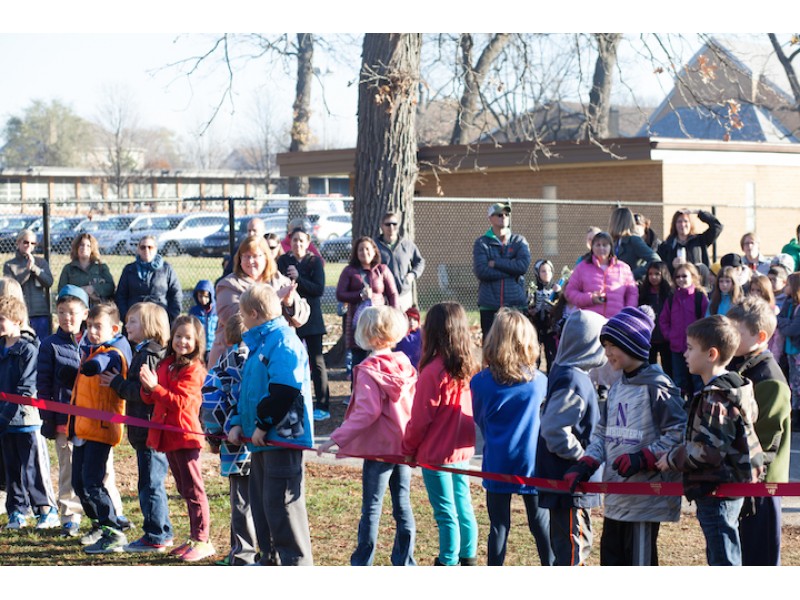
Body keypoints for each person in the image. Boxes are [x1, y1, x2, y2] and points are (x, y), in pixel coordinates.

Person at [564, 306, 686, 566]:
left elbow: (678, 432)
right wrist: (587, 462)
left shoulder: (659, 388)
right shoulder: (618, 387)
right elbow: (603, 433)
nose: (606, 353)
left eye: (612, 345)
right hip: (617, 497)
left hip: (643, 501)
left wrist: (644, 457)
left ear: (632, 345)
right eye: (604, 345)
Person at [657, 315, 764, 566]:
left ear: (711, 354)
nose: (685, 354)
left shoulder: (716, 398)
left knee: (723, 560)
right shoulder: (733, 387)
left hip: (717, 490)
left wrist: (672, 458)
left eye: (691, 348)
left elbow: (709, 451)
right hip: (723, 488)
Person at [318, 306, 416, 566]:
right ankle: (405, 562)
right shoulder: (404, 364)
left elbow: (366, 412)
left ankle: (362, 562)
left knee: (372, 507)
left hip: (379, 449)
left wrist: (336, 437)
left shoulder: (368, 370)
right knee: (402, 505)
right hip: (403, 447)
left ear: (367, 334)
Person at [230, 283, 315, 566]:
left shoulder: (283, 341)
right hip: (260, 442)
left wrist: (263, 425)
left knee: (283, 509)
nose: (240, 319)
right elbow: (250, 391)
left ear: (253, 313)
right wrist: (238, 424)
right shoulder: (261, 343)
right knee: (264, 508)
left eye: (242, 313)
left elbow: (284, 389)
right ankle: (270, 561)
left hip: (280, 438)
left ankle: (295, 566)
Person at [471, 308, 554, 566]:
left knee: (498, 526)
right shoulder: (539, 381)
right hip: (532, 462)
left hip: (497, 459)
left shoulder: (480, 382)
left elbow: (479, 418)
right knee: (540, 522)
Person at [402, 302, 478, 566]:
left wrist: (408, 449)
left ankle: (447, 561)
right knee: (463, 506)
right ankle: (468, 557)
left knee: (446, 512)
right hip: (460, 452)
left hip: (436, 454)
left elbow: (420, 420)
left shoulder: (432, 372)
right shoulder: (468, 367)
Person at [140, 315, 214, 562]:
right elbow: (152, 398)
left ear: (197, 341)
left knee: (194, 489)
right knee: (183, 488)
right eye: (179, 336)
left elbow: (182, 403)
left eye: (188, 337)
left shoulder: (195, 370)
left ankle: (202, 540)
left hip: (185, 435)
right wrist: (147, 386)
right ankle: (193, 538)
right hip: (167, 434)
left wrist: (156, 389)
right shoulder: (167, 364)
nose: (182, 341)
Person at [535, 309, 607, 566]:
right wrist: (583, 458)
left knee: (576, 547)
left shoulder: (572, 373)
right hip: (569, 484)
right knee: (572, 553)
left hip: (574, 484)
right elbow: (554, 431)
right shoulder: (572, 380)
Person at [101, 301, 174, 553]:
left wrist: (117, 384)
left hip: (149, 431)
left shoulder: (148, 355)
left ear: (149, 326)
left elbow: (145, 392)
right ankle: (160, 530)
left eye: (132, 321)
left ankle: (156, 534)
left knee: (150, 485)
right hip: (145, 431)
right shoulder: (145, 351)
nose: (126, 325)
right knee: (149, 482)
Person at [727, 298, 791, 566]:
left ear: (760, 336)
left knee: (758, 563)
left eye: (736, 332)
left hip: (760, 490)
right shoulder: (739, 367)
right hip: (740, 483)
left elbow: (762, 447)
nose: (728, 337)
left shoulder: (769, 380)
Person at [67, 301, 133, 554]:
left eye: (98, 327)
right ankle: (99, 525)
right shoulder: (91, 351)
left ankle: (113, 530)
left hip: (102, 429)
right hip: (84, 429)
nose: (92, 331)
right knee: (80, 482)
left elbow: (105, 362)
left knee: (93, 482)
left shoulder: (112, 352)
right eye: (89, 326)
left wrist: (92, 367)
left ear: (114, 328)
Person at [201, 314, 256, 566]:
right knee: (262, 499)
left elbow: (212, 404)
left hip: (233, 446)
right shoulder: (259, 358)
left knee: (241, 501)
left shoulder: (224, 363)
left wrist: (213, 437)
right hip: (261, 443)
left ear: (226, 335)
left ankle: (242, 553)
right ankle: (264, 550)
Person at [36, 285, 91, 536]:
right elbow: (43, 383)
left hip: (93, 419)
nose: (67, 317)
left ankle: (110, 513)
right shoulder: (49, 345)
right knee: (67, 466)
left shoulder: (94, 342)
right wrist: (47, 417)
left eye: (72, 312)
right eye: (61, 312)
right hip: (63, 420)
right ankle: (70, 514)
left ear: (85, 314)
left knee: (100, 467)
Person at [0, 295, 57, 529]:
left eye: (1, 319)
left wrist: (5, 415)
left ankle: (46, 509)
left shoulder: (29, 349)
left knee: (34, 467)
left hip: (26, 420)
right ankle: (16, 510)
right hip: (4, 422)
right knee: (11, 468)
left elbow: (25, 388)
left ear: (16, 320)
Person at [209, 235, 309, 367]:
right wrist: (275, 298)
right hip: (235, 361)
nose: (250, 261)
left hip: (276, 357)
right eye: (246, 256)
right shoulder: (228, 285)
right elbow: (232, 317)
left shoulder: (280, 281)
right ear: (239, 258)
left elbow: (303, 316)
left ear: (266, 257)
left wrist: (289, 304)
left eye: (256, 256)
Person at [277, 227, 330, 421]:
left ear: (308, 243)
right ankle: (292, 401)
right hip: (290, 318)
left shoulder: (315, 262)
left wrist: (299, 278)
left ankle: (323, 404)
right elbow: (279, 287)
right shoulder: (283, 261)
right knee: (290, 359)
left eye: (302, 240)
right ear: (289, 243)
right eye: (294, 240)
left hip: (313, 318)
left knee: (317, 361)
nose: (298, 244)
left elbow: (319, 289)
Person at [336, 236, 399, 370]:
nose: (364, 252)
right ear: (356, 253)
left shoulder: (382, 270)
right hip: (358, 323)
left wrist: (394, 315)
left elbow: (393, 294)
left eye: (367, 249)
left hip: (380, 323)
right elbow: (340, 294)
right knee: (358, 362)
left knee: (380, 359)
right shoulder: (349, 271)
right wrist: (359, 296)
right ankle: (357, 389)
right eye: (360, 250)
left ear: (374, 251)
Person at [473, 202, 531, 340]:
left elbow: (522, 267)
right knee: (491, 348)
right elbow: (482, 271)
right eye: (499, 214)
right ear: (490, 218)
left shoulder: (519, 241)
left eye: (506, 214)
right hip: (490, 305)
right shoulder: (481, 243)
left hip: (515, 304)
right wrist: (512, 271)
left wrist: (496, 263)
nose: (504, 217)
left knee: (517, 345)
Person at [659, 262, 708, 399]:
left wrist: (700, 339)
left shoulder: (699, 298)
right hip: (676, 347)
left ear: (692, 277)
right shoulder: (672, 298)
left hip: (695, 347)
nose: (681, 279)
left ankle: (697, 405)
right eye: (678, 277)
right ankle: (681, 408)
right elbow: (663, 320)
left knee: (697, 378)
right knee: (679, 380)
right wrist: (670, 335)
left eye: (684, 276)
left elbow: (706, 320)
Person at [564, 231, 637, 318]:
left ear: (611, 247)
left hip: (615, 321)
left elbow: (632, 294)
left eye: (605, 245)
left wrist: (626, 313)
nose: (601, 248)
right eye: (598, 245)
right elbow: (570, 292)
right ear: (592, 247)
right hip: (589, 321)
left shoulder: (623, 268)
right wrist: (590, 298)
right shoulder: (582, 267)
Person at [115, 235, 182, 324]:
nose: (146, 250)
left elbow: (176, 294)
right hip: (134, 320)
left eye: (150, 247)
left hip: (159, 320)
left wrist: (170, 318)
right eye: (143, 247)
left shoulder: (167, 269)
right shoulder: (129, 269)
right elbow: (120, 295)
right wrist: (126, 317)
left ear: (155, 249)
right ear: (138, 250)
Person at [3, 229, 54, 341]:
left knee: (42, 343)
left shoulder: (41, 262)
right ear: (18, 243)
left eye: (32, 243)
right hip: (19, 314)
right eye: (25, 242)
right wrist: (27, 270)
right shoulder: (10, 265)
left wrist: (35, 269)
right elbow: (11, 287)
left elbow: (49, 282)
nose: (29, 245)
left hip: (40, 312)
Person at [375, 211, 425, 311]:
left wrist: (412, 275)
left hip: (403, 294)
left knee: (404, 323)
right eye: (388, 224)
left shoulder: (407, 245)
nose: (391, 227)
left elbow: (420, 262)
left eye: (394, 224)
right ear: (382, 226)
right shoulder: (374, 245)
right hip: (382, 295)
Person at [657, 208, 723, 275]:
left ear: (690, 223)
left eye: (686, 221)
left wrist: (699, 212)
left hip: (698, 282)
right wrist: (671, 265)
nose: (682, 225)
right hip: (676, 283)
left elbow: (717, 226)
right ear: (675, 224)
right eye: (679, 221)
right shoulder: (667, 245)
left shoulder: (700, 240)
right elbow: (661, 269)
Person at [57, 233, 115, 306]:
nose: (84, 248)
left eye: (88, 246)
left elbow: (110, 287)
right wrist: (81, 291)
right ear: (76, 247)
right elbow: (62, 291)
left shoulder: (101, 267)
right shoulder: (68, 269)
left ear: (92, 249)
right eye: (81, 245)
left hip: (97, 308)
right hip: (76, 308)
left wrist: (94, 289)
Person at [638, 261, 673, 378]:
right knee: (649, 369)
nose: (653, 277)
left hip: (666, 338)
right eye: (650, 274)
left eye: (657, 274)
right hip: (649, 338)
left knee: (669, 369)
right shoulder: (643, 293)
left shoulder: (670, 293)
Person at [608, 207, 659, 281]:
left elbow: (655, 259)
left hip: (632, 286)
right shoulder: (615, 242)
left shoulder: (633, 240)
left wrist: (632, 274)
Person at [528, 259, 561, 372]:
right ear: (537, 273)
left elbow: (561, 306)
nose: (546, 273)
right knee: (534, 355)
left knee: (551, 355)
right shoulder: (533, 289)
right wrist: (531, 310)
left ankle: (551, 378)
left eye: (549, 271)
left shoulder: (556, 289)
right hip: (536, 327)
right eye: (543, 271)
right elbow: (528, 305)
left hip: (550, 328)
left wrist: (558, 293)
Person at [776, 272, 800, 426]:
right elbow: (779, 319)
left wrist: (784, 323)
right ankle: (795, 413)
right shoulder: (788, 302)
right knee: (793, 383)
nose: (786, 287)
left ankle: (797, 416)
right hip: (790, 351)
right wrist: (785, 323)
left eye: (788, 285)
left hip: (797, 351)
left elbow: (792, 329)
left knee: (798, 385)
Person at [188, 279, 217, 363]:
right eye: (200, 296)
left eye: (206, 296)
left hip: (212, 346)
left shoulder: (216, 310)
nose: (203, 299)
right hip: (199, 346)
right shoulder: (194, 311)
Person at [394, 306, 422, 370]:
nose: (412, 322)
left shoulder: (421, 334)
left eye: (415, 319)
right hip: (404, 367)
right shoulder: (401, 335)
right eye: (409, 319)